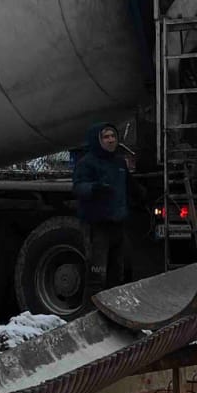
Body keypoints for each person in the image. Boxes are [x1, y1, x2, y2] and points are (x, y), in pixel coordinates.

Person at [72, 122, 131, 301]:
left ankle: (114, 313)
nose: (111, 140)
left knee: (117, 275)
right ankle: (90, 315)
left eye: (113, 136)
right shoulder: (87, 163)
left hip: (117, 224)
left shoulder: (119, 162)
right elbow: (78, 187)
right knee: (97, 274)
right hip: (97, 225)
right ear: (97, 140)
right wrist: (94, 188)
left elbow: (129, 185)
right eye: (106, 137)